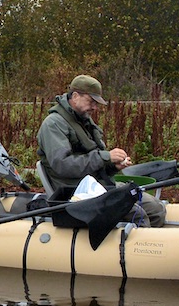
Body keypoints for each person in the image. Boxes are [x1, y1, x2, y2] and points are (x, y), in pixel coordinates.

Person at [37, 74, 166, 227]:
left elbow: (94, 161)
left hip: (99, 186)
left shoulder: (82, 119)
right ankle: (142, 248)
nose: (95, 107)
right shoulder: (54, 124)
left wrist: (113, 166)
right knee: (138, 215)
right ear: (76, 96)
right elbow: (63, 165)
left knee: (156, 209)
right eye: (91, 101)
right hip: (77, 192)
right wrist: (105, 157)